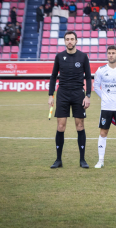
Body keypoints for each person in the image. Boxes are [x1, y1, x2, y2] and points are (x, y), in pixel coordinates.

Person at [48, 32, 91, 169]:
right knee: (61, 126)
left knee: (80, 126)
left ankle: (82, 159)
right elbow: (53, 76)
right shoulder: (59, 57)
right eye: (67, 39)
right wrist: (50, 95)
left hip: (78, 94)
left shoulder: (83, 56)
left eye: (72, 39)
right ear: (65, 41)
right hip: (63, 94)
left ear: (76, 41)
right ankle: (58, 159)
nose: (70, 41)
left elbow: (89, 78)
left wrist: (88, 95)